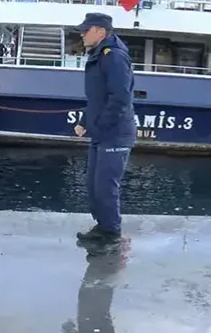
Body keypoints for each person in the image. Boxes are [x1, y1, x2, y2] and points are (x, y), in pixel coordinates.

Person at [73, 13, 136, 253]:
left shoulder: (115, 57)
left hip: (115, 133)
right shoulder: (100, 55)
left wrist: (99, 124)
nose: (81, 34)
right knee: (93, 185)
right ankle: (102, 227)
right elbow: (97, 98)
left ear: (100, 32)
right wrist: (85, 120)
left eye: (85, 30)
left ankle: (112, 234)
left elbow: (121, 97)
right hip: (101, 132)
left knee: (106, 186)